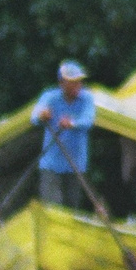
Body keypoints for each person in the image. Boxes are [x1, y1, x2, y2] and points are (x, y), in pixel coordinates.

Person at [32, 60, 96, 210]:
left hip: (75, 165)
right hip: (51, 164)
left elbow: (88, 121)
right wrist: (42, 115)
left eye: (79, 82)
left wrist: (72, 124)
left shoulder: (87, 98)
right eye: (73, 82)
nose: (78, 85)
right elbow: (34, 117)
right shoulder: (50, 97)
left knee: (72, 210)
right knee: (52, 209)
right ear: (62, 83)